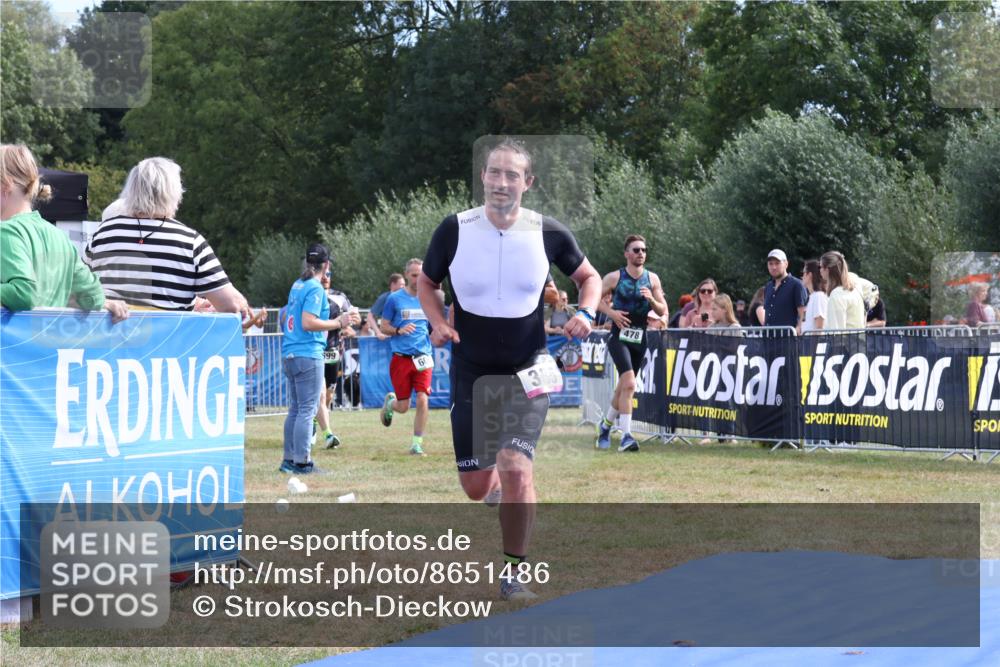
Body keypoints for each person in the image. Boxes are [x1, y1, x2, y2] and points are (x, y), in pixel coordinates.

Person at [418, 138, 601, 600]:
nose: (502, 182)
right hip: (472, 369)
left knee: (517, 465)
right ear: (483, 177)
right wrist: (438, 321)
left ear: (528, 182)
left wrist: (586, 312)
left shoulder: (548, 232)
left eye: (512, 175)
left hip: (528, 366)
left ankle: (514, 572)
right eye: (494, 172)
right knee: (475, 486)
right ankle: (493, 479)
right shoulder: (455, 229)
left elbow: (589, 277)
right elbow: (428, 282)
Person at [86, 157, 250, 318]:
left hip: (111, 334)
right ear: (175, 193)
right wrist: (241, 304)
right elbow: (231, 305)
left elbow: (82, 287)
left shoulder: (102, 233)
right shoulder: (190, 241)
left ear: (131, 191)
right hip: (168, 335)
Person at [1, 144, 128, 321]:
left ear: (6, 186)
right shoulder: (59, 236)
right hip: (52, 337)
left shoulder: (5, 232)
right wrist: (104, 303)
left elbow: (23, 293)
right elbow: (93, 296)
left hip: (17, 338)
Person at [279, 243, 356, 474]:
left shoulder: (297, 284)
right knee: (307, 410)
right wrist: (339, 322)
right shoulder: (315, 288)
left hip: (290, 353)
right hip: (307, 353)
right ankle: (302, 463)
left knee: (295, 409)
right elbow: (308, 322)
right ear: (327, 265)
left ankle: (289, 460)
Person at [596, 234, 668, 452]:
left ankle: (605, 426)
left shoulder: (652, 279)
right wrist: (612, 313)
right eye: (636, 250)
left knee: (623, 387)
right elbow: (593, 298)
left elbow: (662, 310)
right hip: (619, 336)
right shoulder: (614, 277)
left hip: (640, 337)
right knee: (629, 384)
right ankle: (626, 436)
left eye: (644, 250)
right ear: (626, 253)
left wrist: (651, 299)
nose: (641, 254)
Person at [379, 258, 436, 456]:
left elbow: (433, 325)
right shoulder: (394, 299)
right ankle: (391, 403)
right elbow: (383, 326)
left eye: (421, 275)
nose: (417, 279)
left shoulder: (429, 297)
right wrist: (399, 330)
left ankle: (416, 444)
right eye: (414, 275)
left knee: (422, 398)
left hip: (423, 357)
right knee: (403, 407)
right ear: (406, 275)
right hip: (401, 358)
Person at [314, 268, 359, 448]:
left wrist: (350, 323)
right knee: (319, 393)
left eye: (329, 275)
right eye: (323, 274)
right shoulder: (311, 295)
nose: (326, 278)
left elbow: (354, 318)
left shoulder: (339, 297)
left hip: (333, 351)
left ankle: (315, 422)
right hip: (314, 351)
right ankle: (326, 434)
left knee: (329, 394)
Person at [762, 249, 807, 333]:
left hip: (789, 338)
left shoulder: (797, 285)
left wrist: (798, 330)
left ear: (786, 264)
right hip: (768, 338)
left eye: (777, 263)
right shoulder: (768, 286)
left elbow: (803, 314)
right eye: (770, 264)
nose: (773, 267)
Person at [820, 251, 865, 330]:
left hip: (846, 337)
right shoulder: (855, 289)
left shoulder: (837, 294)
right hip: (857, 336)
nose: (820, 270)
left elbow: (836, 330)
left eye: (821, 267)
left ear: (827, 269)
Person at [366, 273, 405, 340]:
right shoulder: (384, 298)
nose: (404, 287)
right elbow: (370, 316)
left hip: (402, 337)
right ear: (393, 284)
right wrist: (378, 332)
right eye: (401, 284)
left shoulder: (405, 298)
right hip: (388, 338)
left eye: (404, 284)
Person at [801, 259, 828, 334]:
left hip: (812, 340)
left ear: (810, 275)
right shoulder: (813, 296)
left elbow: (819, 327)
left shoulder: (818, 296)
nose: (802, 276)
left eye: (803, 273)